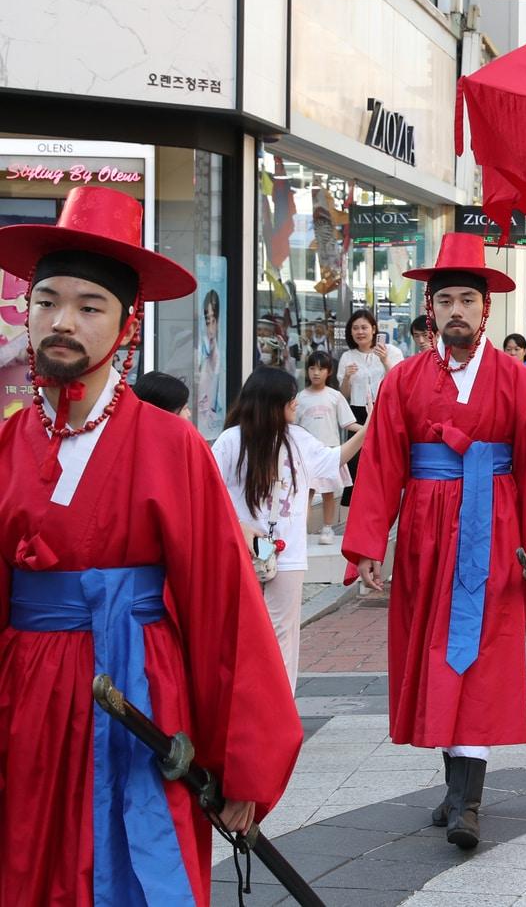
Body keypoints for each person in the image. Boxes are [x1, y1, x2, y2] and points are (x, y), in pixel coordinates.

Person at [0, 185, 301, 901]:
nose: (62, 322)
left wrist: (243, 763)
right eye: (47, 302)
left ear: (127, 325)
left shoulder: (173, 447)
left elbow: (225, 609)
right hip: (26, 709)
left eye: (90, 306)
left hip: (138, 700)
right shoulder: (6, 444)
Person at [343, 232, 526, 849]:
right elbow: (381, 465)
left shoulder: (519, 382)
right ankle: (455, 790)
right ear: (431, 309)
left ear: (485, 308)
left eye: (467, 300)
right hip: (425, 535)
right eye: (445, 300)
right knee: (436, 652)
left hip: (494, 534)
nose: (456, 311)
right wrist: (368, 543)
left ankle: (467, 802)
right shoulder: (404, 381)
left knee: (483, 653)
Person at [213, 366, 366, 690]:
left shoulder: (297, 438)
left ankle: (278, 705)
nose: (296, 404)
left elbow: (333, 459)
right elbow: (209, 491)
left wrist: (369, 428)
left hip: (288, 553)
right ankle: (247, 700)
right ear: (273, 403)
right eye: (290, 399)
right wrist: (239, 526)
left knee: (282, 632)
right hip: (241, 550)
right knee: (244, 631)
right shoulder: (231, 440)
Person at [338, 308, 403, 506]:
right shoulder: (347, 356)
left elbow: (399, 383)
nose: (360, 332)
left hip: (383, 408)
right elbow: (344, 395)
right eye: (355, 328)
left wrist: (384, 361)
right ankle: (354, 507)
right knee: (355, 461)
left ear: (374, 329)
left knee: (382, 458)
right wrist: (347, 377)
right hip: (357, 412)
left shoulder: (391, 351)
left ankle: (381, 502)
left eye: (364, 327)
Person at [296, 350, 361, 544]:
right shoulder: (300, 397)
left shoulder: (335, 396)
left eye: (321, 369)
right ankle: (299, 530)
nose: (316, 373)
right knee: (306, 493)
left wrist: (368, 430)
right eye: (312, 368)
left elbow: (348, 423)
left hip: (329, 453)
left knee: (327, 492)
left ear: (329, 372)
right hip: (306, 455)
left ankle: (327, 528)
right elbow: (293, 426)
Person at [196, 286, 222, 437]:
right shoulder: (200, 349)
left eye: (214, 320)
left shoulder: (216, 351)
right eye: (208, 320)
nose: (211, 327)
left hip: (209, 415)